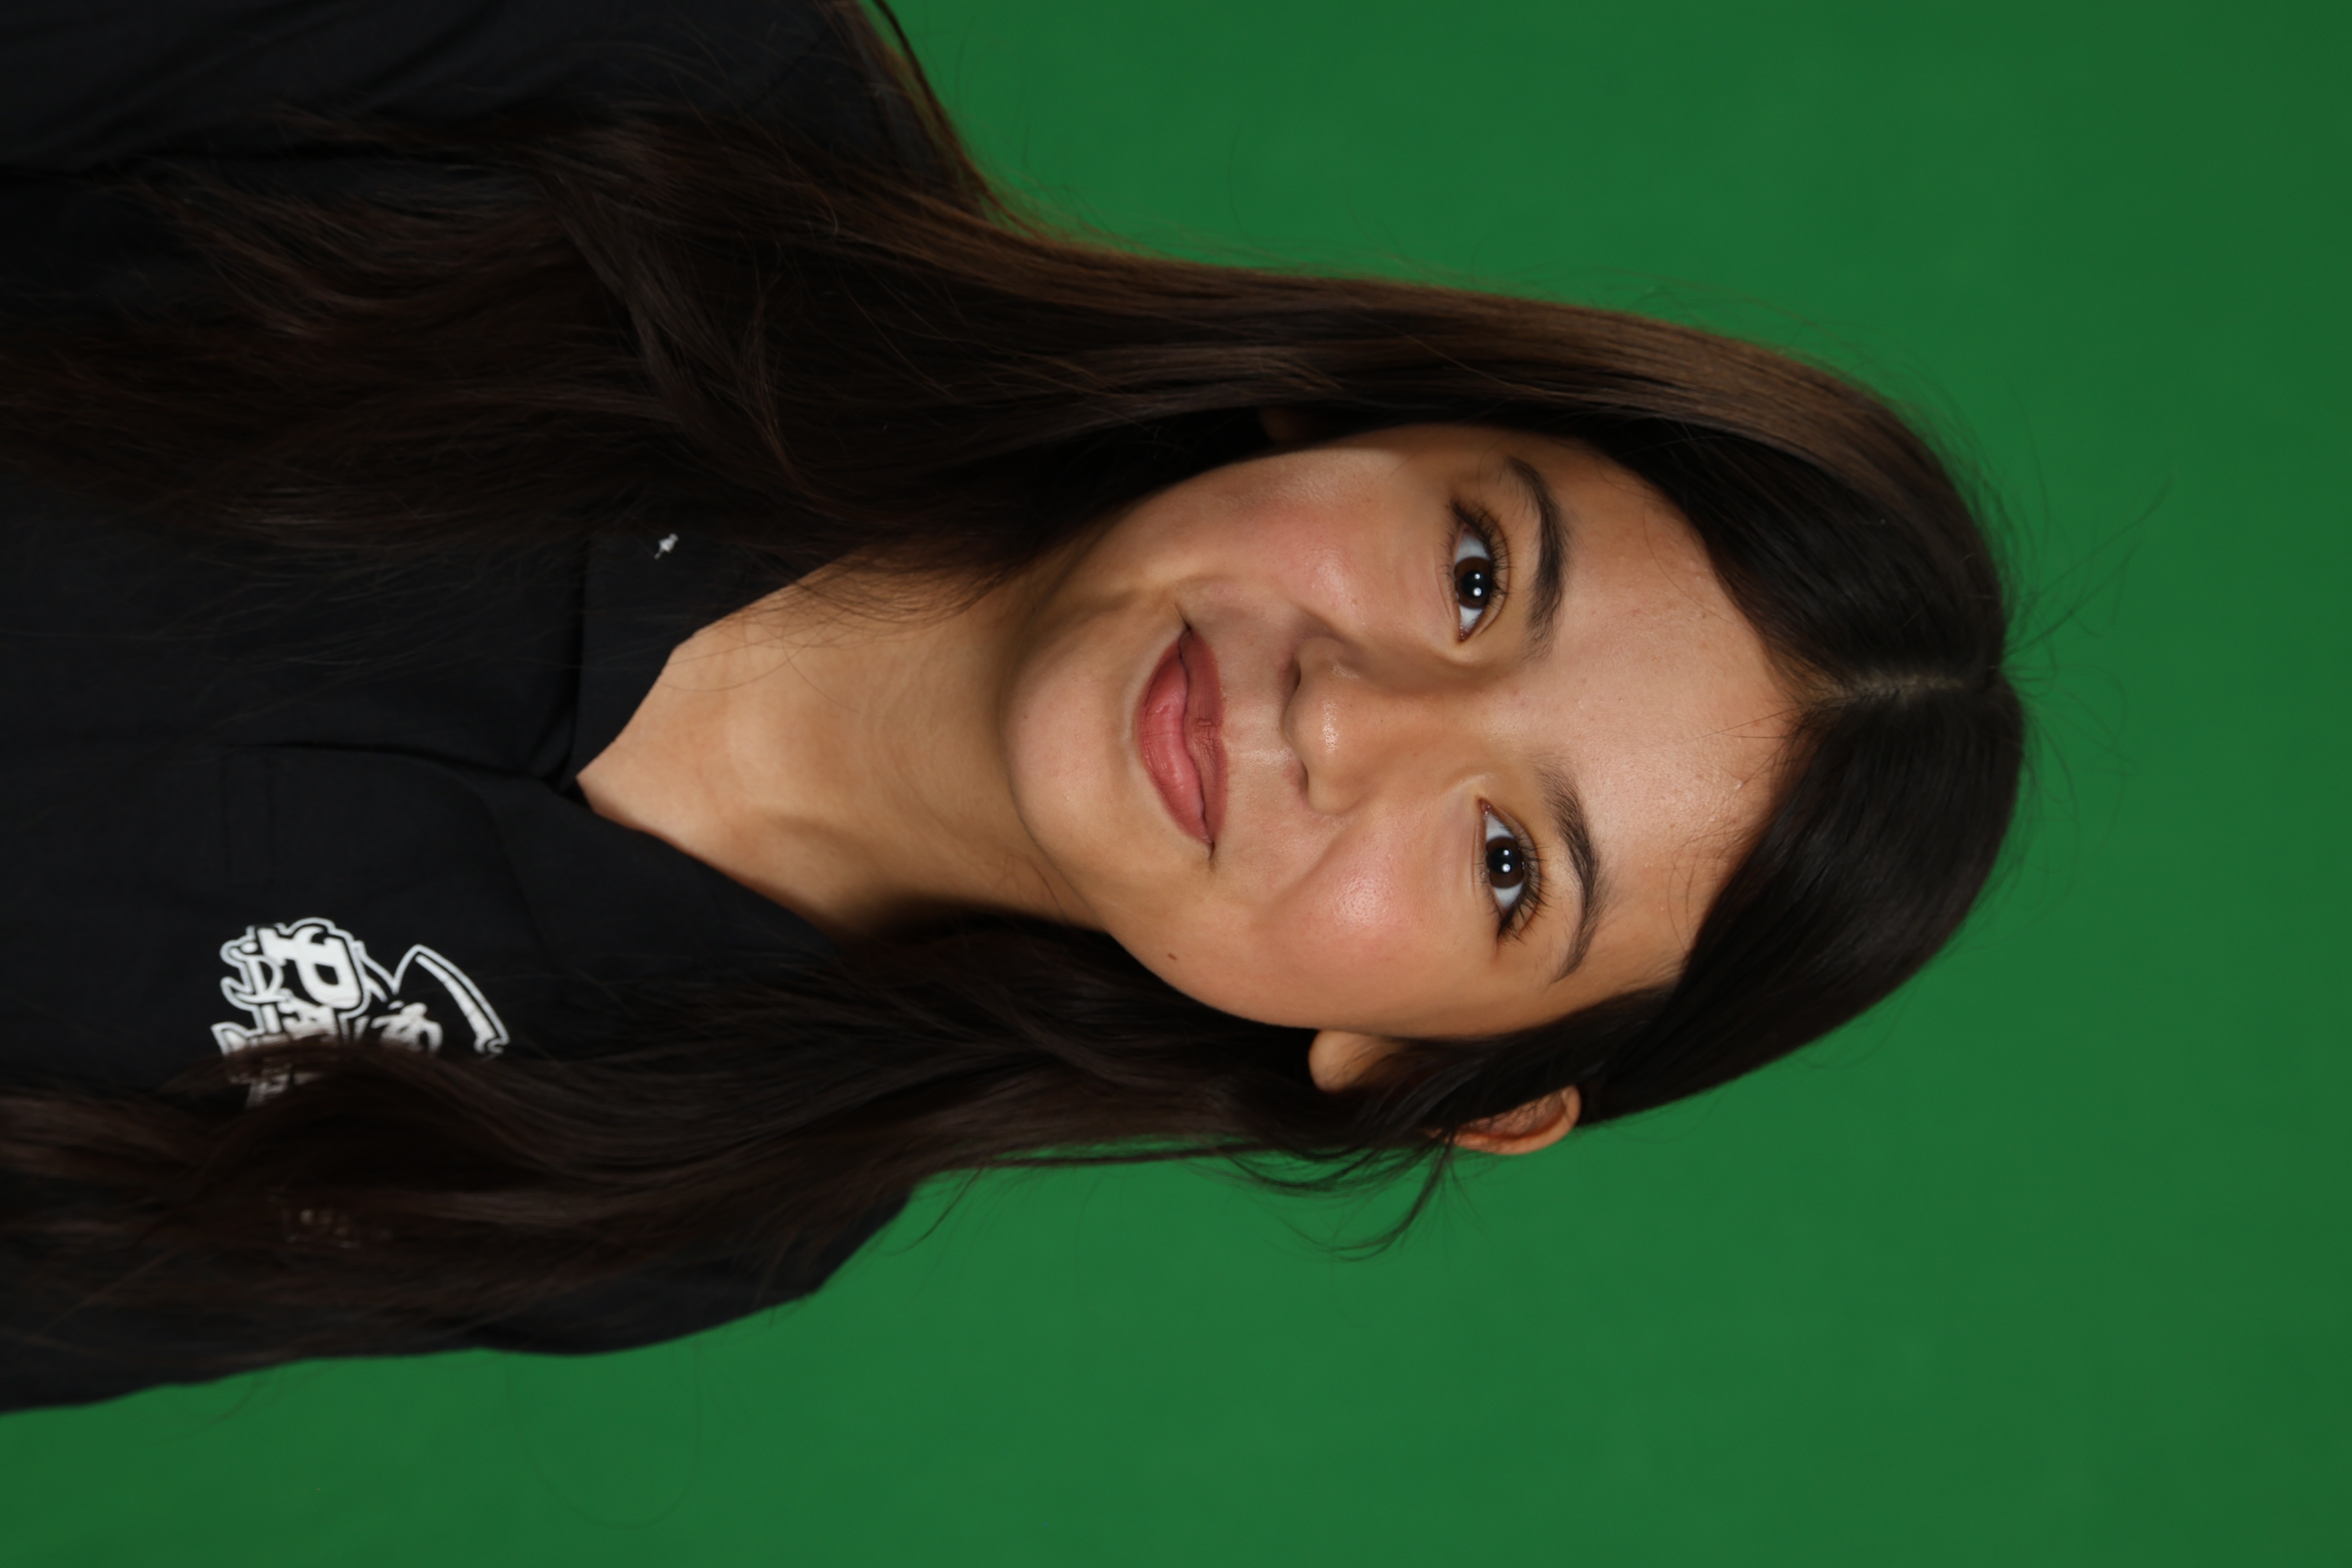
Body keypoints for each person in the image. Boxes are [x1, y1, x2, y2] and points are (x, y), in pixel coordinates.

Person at [0, 0, 2023, 1412]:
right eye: (1477, 574)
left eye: (1506, 865)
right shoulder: (668, 94)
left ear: (1424, 1069)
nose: (1350, 719)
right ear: (1387, 413)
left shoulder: (682, 1214)